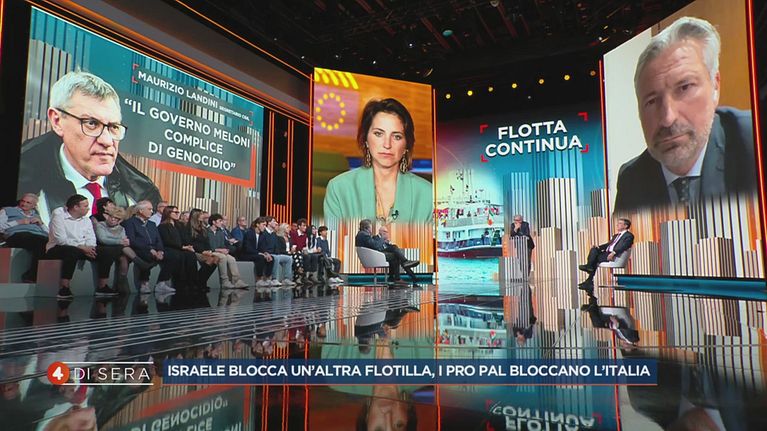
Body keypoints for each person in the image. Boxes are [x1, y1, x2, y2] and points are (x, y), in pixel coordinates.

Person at [614, 17, 756, 212]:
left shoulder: (754, 141)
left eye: (684, 87)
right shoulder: (632, 180)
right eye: (652, 101)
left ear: (715, 86)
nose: (667, 118)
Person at [18, 71, 161, 224]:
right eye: (91, 123)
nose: (107, 141)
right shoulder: (22, 180)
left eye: (113, 127)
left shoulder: (142, 192)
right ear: (57, 121)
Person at [323, 98, 433, 224]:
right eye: (378, 134)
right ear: (366, 140)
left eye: (397, 136)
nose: (387, 144)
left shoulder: (428, 195)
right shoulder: (338, 189)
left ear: (406, 145)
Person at [44, 194, 121, 299]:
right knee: (72, 251)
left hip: (83, 248)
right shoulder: (59, 216)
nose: (88, 208)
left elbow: (91, 238)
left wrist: (89, 248)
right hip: (58, 248)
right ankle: (64, 288)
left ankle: (102, 287)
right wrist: (81, 247)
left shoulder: (86, 220)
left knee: (107, 252)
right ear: (76, 207)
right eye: (85, 206)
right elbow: (61, 240)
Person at [122, 200, 176, 294]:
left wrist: (160, 251)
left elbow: (158, 240)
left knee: (172, 255)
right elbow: (132, 240)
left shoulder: (152, 224)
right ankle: (144, 283)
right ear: (141, 211)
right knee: (147, 256)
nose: (152, 211)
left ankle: (161, 283)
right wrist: (150, 249)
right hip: (140, 248)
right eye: (149, 209)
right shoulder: (130, 223)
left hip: (154, 248)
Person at [0, 193, 49, 282]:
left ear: (34, 206)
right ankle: (32, 276)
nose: (24, 204)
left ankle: (37, 275)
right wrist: (18, 222)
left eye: (28, 203)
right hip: (18, 235)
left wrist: (41, 224)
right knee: (39, 241)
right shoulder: (7, 210)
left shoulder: (36, 215)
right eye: (23, 201)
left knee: (48, 242)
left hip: (38, 236)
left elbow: (48, 233)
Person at [355, 219, 418, 284]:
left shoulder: (362, 234)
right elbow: (375, 246)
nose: (371, 229)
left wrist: (384, 242)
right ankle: (399, 274)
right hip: (373, 257)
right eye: (371, 227)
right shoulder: (364, 235)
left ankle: (395, 276)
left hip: (373, 255)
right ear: (367, 228)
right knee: (395, 255)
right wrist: (381, 239)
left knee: (394, 248)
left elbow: (374, 246)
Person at [578, 218, 634, 289]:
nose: (617, 225)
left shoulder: (629, 236)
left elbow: (624, 246)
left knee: (595, 259)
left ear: (626, 226)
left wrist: (614, 252)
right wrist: (599, 247)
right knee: (594, 249)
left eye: (620, 223)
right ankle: (589, 270)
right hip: (607, 253)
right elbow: (608, 244)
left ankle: (589, 271)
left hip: (615, 255)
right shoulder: (616, 236)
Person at [157, 205, 201, 290]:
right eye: (175, 212)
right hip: (170, 248)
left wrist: (188, 246)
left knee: (191, 255)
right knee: (178, 256)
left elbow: (185, 238)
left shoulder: (179, 225)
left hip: (181, 248)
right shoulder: (163, 226)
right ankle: (180, 284)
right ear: (168, 213)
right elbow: (167, 241)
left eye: (178, 212)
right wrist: (182, 247)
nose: (178, 214)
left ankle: (192, 283)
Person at [207, 213, 249, 289]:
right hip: (211, 251)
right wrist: (219, 250)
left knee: (231, 259)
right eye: (220, 221)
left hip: (220, 251)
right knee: (223, 257)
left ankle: (237, 281)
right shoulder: (207, 231)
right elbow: (209, 246)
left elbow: (222, 244)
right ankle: (224, 281)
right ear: (213, 222)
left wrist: (225, 250)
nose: (222, 222)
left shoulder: (220, 232)